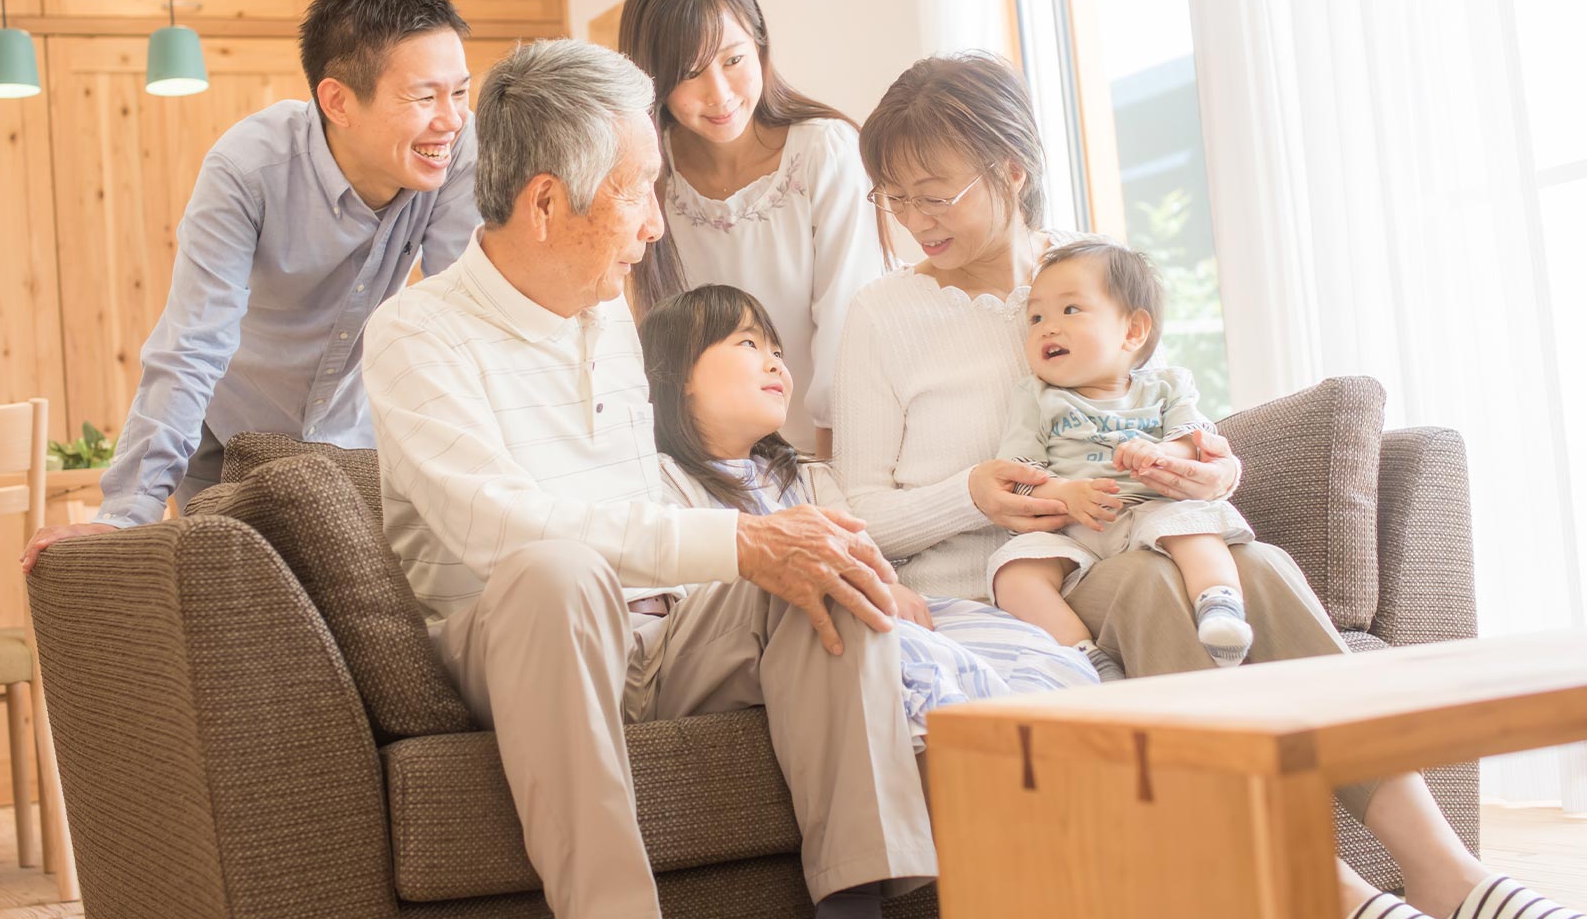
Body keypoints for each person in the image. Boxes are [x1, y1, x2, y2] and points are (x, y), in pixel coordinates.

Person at [831, 50, 1579, 919]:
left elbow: (1160, 410)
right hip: (1008, 590)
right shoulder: (882, 315)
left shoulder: (1085, 276)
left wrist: (1214, 464)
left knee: (1256, 568)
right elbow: (856, 516)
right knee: (1158, 586)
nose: (914, 218)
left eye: (936, 193)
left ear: (1010, 171)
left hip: (1122, 531)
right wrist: (971, 492)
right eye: (894, 196)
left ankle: (1448, 870)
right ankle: (1328, 890)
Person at [361, 38, 934, 919]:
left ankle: (870, 901)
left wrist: (785, 535)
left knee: (824, 566)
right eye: (638, 191)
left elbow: (644, 499)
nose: (656, 225)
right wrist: (737, 540)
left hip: (659, 630)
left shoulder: (608, 316)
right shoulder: (416, 333)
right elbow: (494, 525)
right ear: (546, 202)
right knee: (559, 570)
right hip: (519, 636)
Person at [22, 0, 478, 571]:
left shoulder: (450, 154)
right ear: (338, 100)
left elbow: (464, 316)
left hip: (353, 437)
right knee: (239, 626)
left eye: (460, 92)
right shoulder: (246, 170)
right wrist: (122, 516)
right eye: (425, 97)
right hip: (226, 443)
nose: (450, 119)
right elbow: (192, 345)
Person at [639, 282, 1097, 753]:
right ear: (681, 373)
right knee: (919, 659)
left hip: (869, 613)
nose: (776, 362)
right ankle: (991, 759)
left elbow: (866, 553)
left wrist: (891, 586)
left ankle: (1062, 751)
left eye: (777, 349)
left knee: (1028, 649)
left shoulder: (808, 478)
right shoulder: (658, 480)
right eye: (748, 344)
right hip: (770, 636)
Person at [619, 0, 883, 457]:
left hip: (832, 450)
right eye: (689, 73)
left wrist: (825, 472)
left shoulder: (823, 152)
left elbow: (848, 326)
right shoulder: (649, 175)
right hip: (711, 466)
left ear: (760, 45)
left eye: (733, 60)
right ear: (652, 81)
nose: (718, 94)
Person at [989, 239, 1256, 682]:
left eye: (1070, 310)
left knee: (1195, 526)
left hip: (1153, 506)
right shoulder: (1034, 397)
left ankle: (1220, 605)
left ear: (1133, 331)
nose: (1047, 328)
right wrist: (1063, 494)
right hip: (1073, 528)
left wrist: (1161, 454)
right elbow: (1018, 474)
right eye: (1036, 318)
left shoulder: (1168, 386)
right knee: (1013, 575)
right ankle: (1085, 657)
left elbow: (1197, 443)